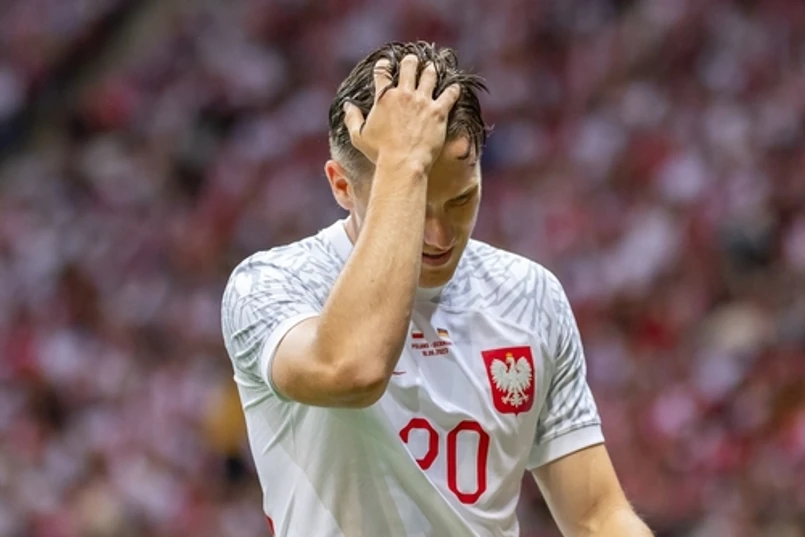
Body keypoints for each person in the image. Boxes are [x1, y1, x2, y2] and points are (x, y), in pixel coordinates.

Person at [221, 41, 654, 537]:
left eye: (461, 200)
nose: (439, 235)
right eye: (415, 204)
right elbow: (351, 369)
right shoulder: (271, 284)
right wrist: (403, 166)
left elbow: (596, 515)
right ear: (341, 186)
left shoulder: (530, 295)